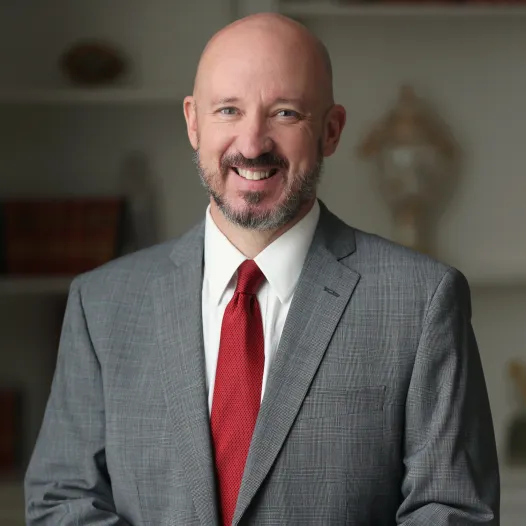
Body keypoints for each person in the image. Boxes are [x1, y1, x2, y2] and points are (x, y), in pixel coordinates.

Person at [25, 12, 500, 526]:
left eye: (285, 114)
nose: (252, 144)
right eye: (228, 110)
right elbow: (62, 501)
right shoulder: (100, 305)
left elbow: (453, 512)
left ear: (332, 130)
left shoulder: (422, 301)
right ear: (193, 122)